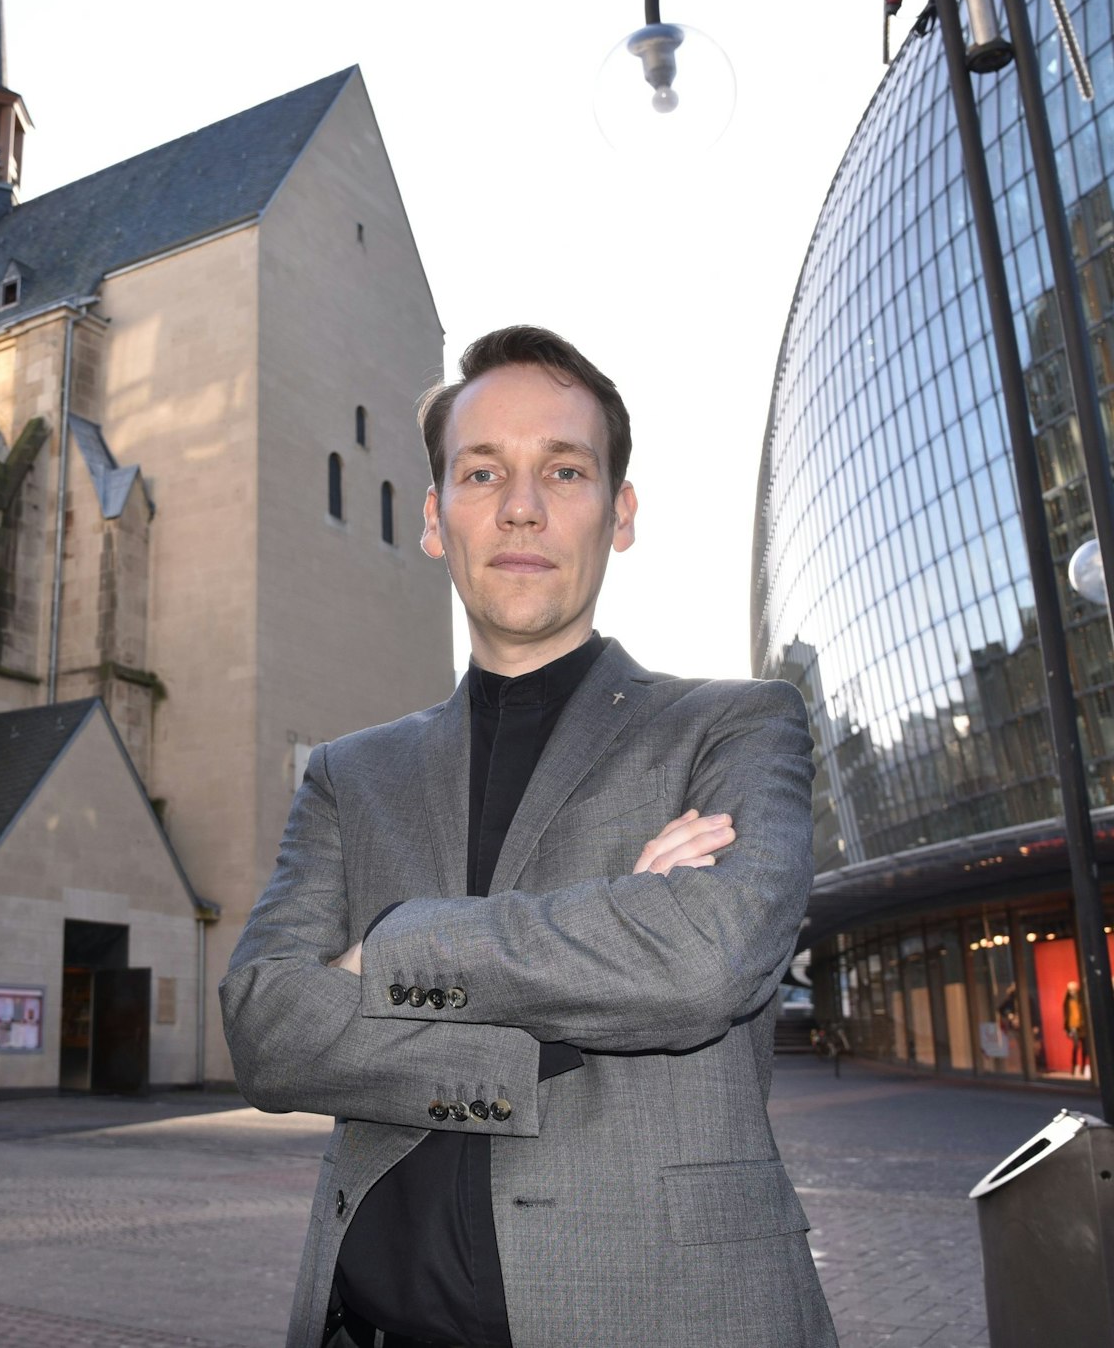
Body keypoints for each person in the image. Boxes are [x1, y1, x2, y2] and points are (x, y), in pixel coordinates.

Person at [221, 326, 836, 1348]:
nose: (520, 506)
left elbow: (702, 963)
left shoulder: (734, 725)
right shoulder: (346, 775)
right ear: (433, 517)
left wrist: (388, 952)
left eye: (562, 469)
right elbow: (264, 1030)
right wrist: (601, 952)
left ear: (618, 512)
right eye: (480, 473)